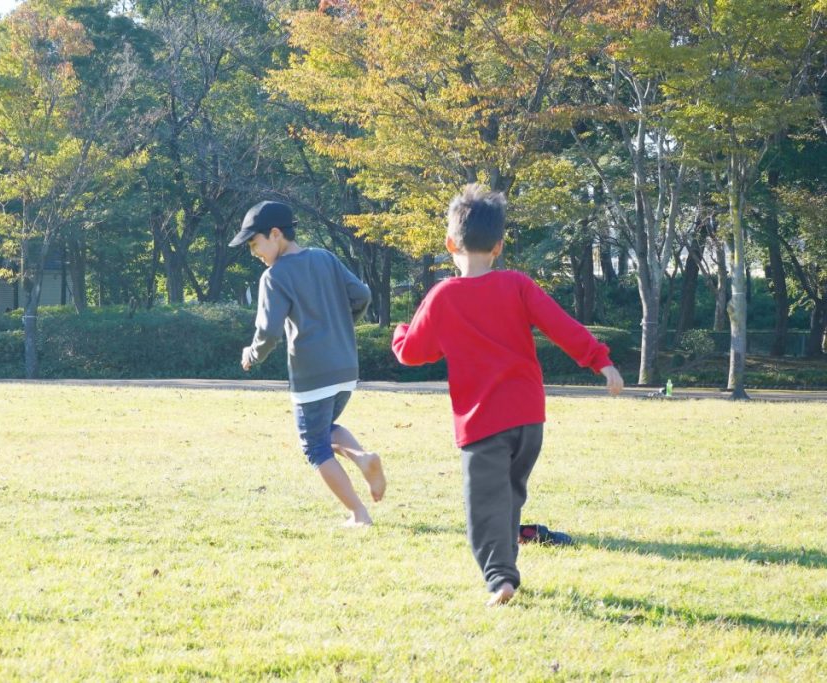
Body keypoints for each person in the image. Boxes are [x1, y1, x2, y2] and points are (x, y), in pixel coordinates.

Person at [391, 184, 624, 605]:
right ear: (498, 246)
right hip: (528, 419)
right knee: (510, 496)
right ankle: (508, 569)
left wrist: (400, 332)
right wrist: (600, 361)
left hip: (482, 423)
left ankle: (500, 579)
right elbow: (561, 325)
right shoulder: (517, 285)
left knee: (485, 505)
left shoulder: (443, 295)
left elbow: (413, 354)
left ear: (449, 244)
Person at [231, 200, 386, 527]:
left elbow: (269, 330)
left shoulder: (275, 276)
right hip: (346, 368)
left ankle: (359, 513)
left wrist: (252, 354)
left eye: (254, 243)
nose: (253, 252)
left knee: (314, 448)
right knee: (324, 429)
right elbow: (362, 295)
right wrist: (340, 324)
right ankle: (363, 459)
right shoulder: (325, 258)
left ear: (275, 235)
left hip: (312, 372)